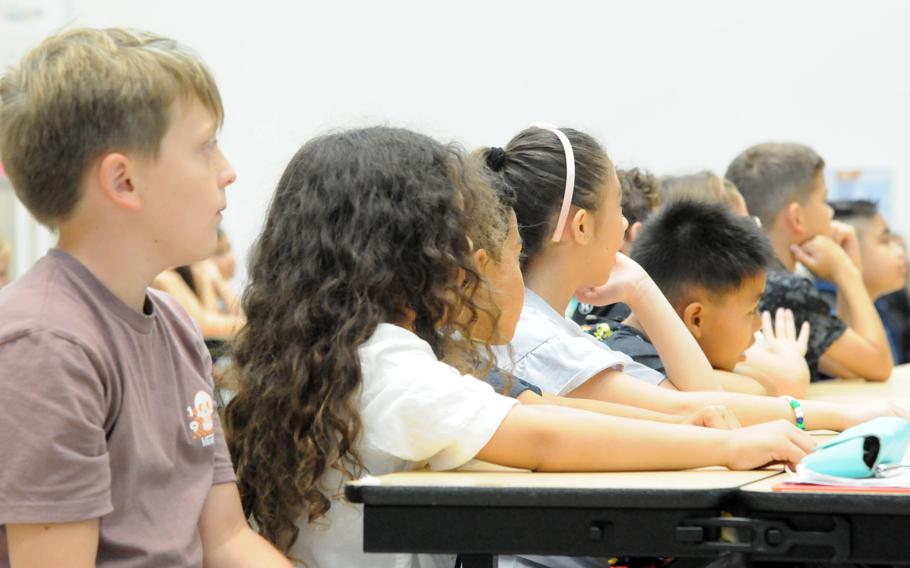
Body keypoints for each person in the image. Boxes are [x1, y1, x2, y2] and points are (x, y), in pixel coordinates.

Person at [223, 126, 816, 568]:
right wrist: (727, 445)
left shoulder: (350, 350)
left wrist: (703, 430)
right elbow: (540, 438)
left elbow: (536, 410)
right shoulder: (384, 364)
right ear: (413, 250)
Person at [0, 27, 289, 566]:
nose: (228, 171)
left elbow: (226, 539)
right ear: (124, 182)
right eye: (205, 147)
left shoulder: (176, 325)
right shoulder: (47, 346)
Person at [485, 124, 905, 426]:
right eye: (616, 209)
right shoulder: (540, 336)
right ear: (580, 226)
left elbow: (705, 403)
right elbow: (702, 411)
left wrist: (642, 288)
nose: (625, 227)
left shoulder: (554, 327)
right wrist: (842, 417)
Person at [605, 199, 811, 397]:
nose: (758, 325)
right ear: (696, 318)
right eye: (751, 311)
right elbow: (756, 391)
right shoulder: (632, 360)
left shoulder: (641, 342)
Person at [726, 143, 892, 381]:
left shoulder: (762, 277)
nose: (830, 213)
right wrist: (847, 272)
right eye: (824, 201)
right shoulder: (783, 288)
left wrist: (843, 274)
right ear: (796, 217)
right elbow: (878, 365)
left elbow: (852, 367)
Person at [816, 199, 908, 367]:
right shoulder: (822, 305)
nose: (900, 252)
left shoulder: (882, 305)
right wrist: (848, 270)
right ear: (846, 247)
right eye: (885, 241)